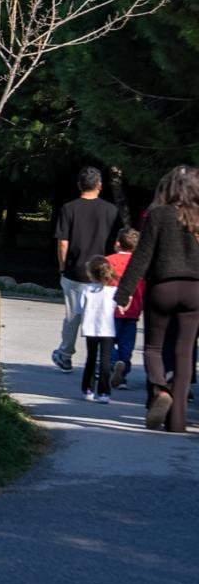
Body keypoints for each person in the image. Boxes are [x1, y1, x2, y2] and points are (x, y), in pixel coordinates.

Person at [113, 165, 199, 432]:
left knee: (153, 348)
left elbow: (142, 257)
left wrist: (124, 292)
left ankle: (160, 388)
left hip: (162, 288)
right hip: (196, 291)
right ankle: (178, 422)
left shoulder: (158, 214)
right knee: (185, 353)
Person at [49, 166, 124, 373]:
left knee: (73, 315)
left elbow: (63, 242)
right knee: (102, 316)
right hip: (103, 272)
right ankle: (103, 359)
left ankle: (65, 355)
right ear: (100, 185)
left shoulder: (69, 208)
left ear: (79, 185)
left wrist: (63, 267)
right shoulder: (111, 211)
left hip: (76, 270)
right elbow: (118, 243)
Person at [106, 230, 144, 390]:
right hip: (133, 310)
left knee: (108, 342)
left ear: (118, 243)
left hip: (112, 309)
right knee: (126, 344)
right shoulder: (140, 264)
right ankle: (123, 373)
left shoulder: (108, 261)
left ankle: (114, 362)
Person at [79, 255, 119, 403]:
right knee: (105, 361)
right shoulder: (114, 291)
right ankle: (104, 393)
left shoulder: (86, 289)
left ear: (91, 273)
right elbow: (120, 307)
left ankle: (88, 389)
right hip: (107, 329)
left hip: (90, 328)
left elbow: (79, 309)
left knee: (90, 358)